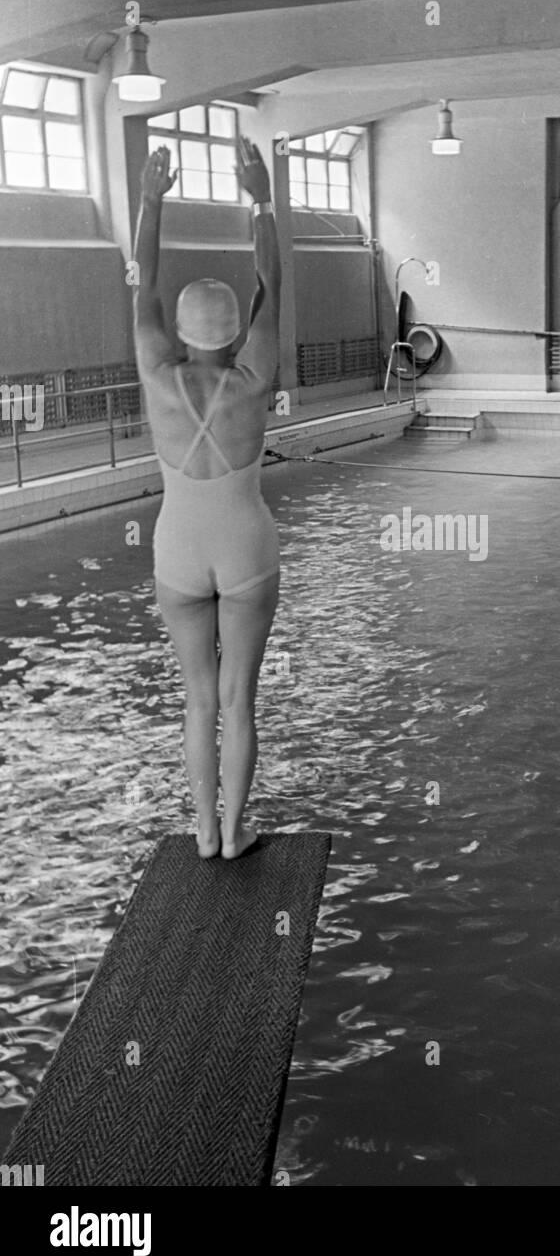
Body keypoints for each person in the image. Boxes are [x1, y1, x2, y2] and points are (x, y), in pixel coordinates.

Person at [133, 137, 281, 859]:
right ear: (236, 332)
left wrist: (151, 199)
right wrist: (261, 199)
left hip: (177, 552)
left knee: (196, 700)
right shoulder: (253, 377)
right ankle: (234, 830)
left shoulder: (158, 374)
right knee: (237, 701)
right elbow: (272, 287)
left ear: (184, 332)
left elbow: (144, 287)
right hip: (245, 547)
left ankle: (199, 829)